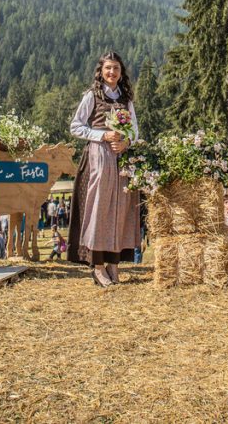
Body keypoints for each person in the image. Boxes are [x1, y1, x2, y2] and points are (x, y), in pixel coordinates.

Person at [67, 51, 141, 287]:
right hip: (98, 156)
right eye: (108, 68)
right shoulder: (92, 95)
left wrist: (126, 142)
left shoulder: (126, 99)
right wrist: (103, 135)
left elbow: (135, 130)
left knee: (120, 209)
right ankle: (97, 266)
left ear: (121, 72)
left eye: (116, 68)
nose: (112, 72)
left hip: (120, 157)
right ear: (101, 71)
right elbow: (76, 127)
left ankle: (113, 264)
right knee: (99, 208)